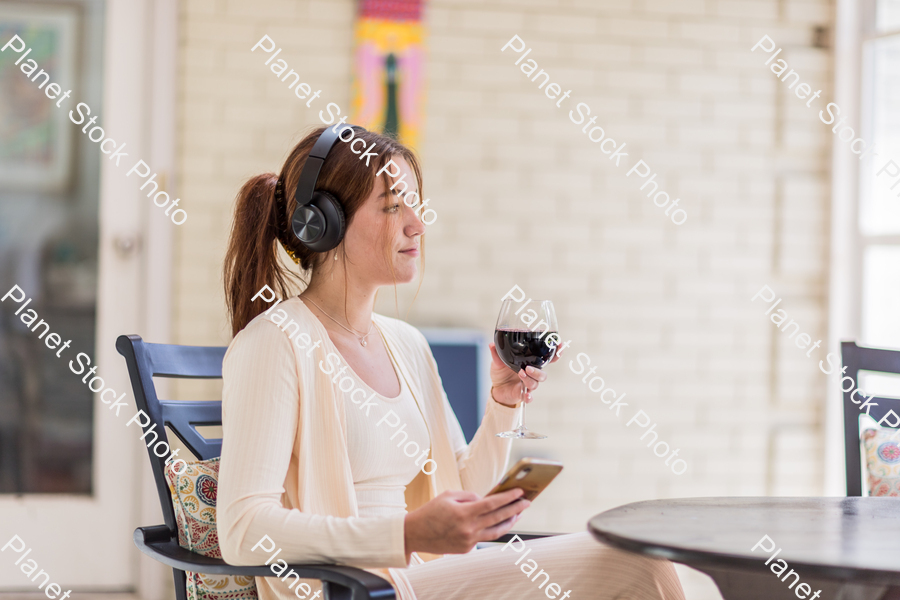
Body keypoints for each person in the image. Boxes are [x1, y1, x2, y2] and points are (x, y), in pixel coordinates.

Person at [217, 125, 685, 600]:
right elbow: (242, 529)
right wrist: (406, 535)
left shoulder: (406, 344)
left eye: (414, 203)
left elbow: (460, 485)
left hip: (419, 578)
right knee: (630, 563)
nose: (417, 223)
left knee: (638, 560)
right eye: (392, 205)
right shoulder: (275, 343)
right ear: (323, 223)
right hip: (355, 590)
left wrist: (504, 401)